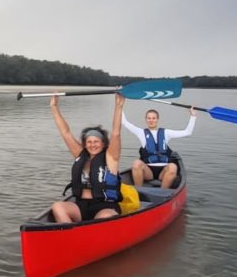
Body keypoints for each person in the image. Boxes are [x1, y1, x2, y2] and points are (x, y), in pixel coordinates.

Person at [48, 93, 126, 223]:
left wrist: (118, 106)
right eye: (89, 142)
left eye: (96, 141)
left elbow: (116, 133)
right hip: (81, 205)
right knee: (58, 207)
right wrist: (54, 107)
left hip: (104, 206)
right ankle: (71, 236)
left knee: (105, 217)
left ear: (103, 143)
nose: (92, 145)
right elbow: (65, 133)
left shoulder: (111, 157)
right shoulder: (81, 155)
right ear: (85, 144)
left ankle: (92, 237)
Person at [122, 106, 195, 188]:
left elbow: (188, 132)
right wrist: (119, 105)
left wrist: (193, 116)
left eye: (153, 118)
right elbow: (124, 122)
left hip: (164, 172)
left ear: (157, 119)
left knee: (173, 167)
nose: (151, 120)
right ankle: (138, 191)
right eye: (149, 118)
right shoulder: (141, 133)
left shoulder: (166, 133)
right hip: (148, 172)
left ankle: (163, 193)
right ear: (145, 119)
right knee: (136, 163)